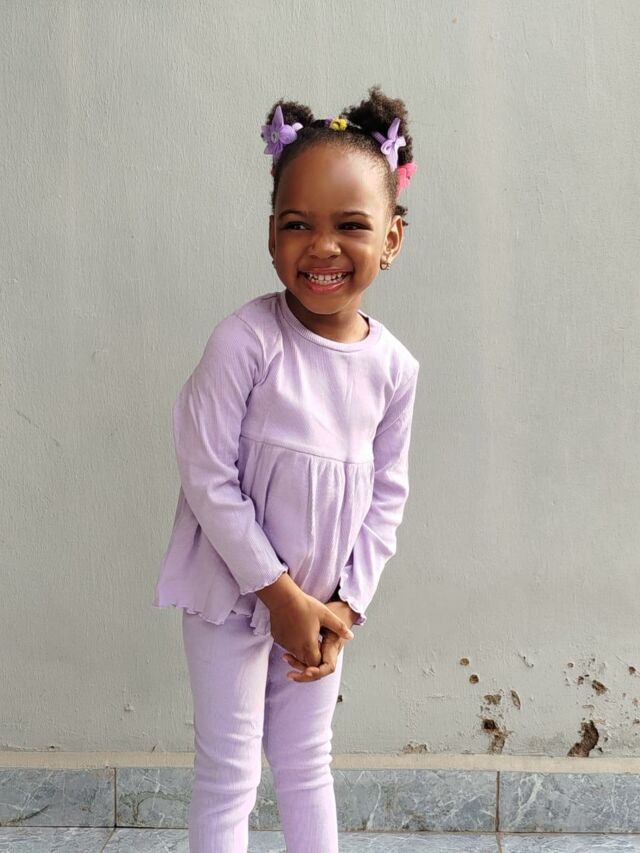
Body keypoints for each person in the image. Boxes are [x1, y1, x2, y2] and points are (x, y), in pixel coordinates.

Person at [152, 84, 421, 852]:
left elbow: (388, 497)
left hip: (323, 606)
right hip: (232, 594)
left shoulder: (394, 369)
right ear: (272, 235)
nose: (322, 245)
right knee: (229, 771)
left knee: (306, 763)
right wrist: (277, 594)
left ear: (392, 238)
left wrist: (344, 607)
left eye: (351, 225)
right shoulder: (246, 341)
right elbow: (205, 471)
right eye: (298, 224)